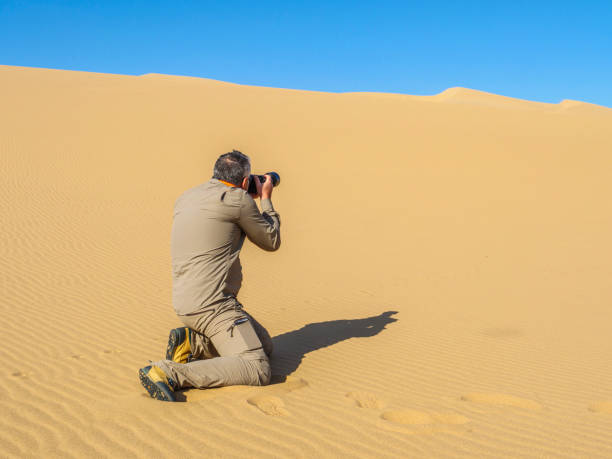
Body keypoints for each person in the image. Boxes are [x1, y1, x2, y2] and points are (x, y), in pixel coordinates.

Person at [138, 150, 280, 401]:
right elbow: (271, 240)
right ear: (245, 182)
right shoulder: (238, 200)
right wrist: (265, 198)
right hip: (214, 307)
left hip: (186, 302)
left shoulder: (187, 196)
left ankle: (195, 343)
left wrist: (245, 195)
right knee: (258, 367)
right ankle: (168, 372)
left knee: (265, 346)